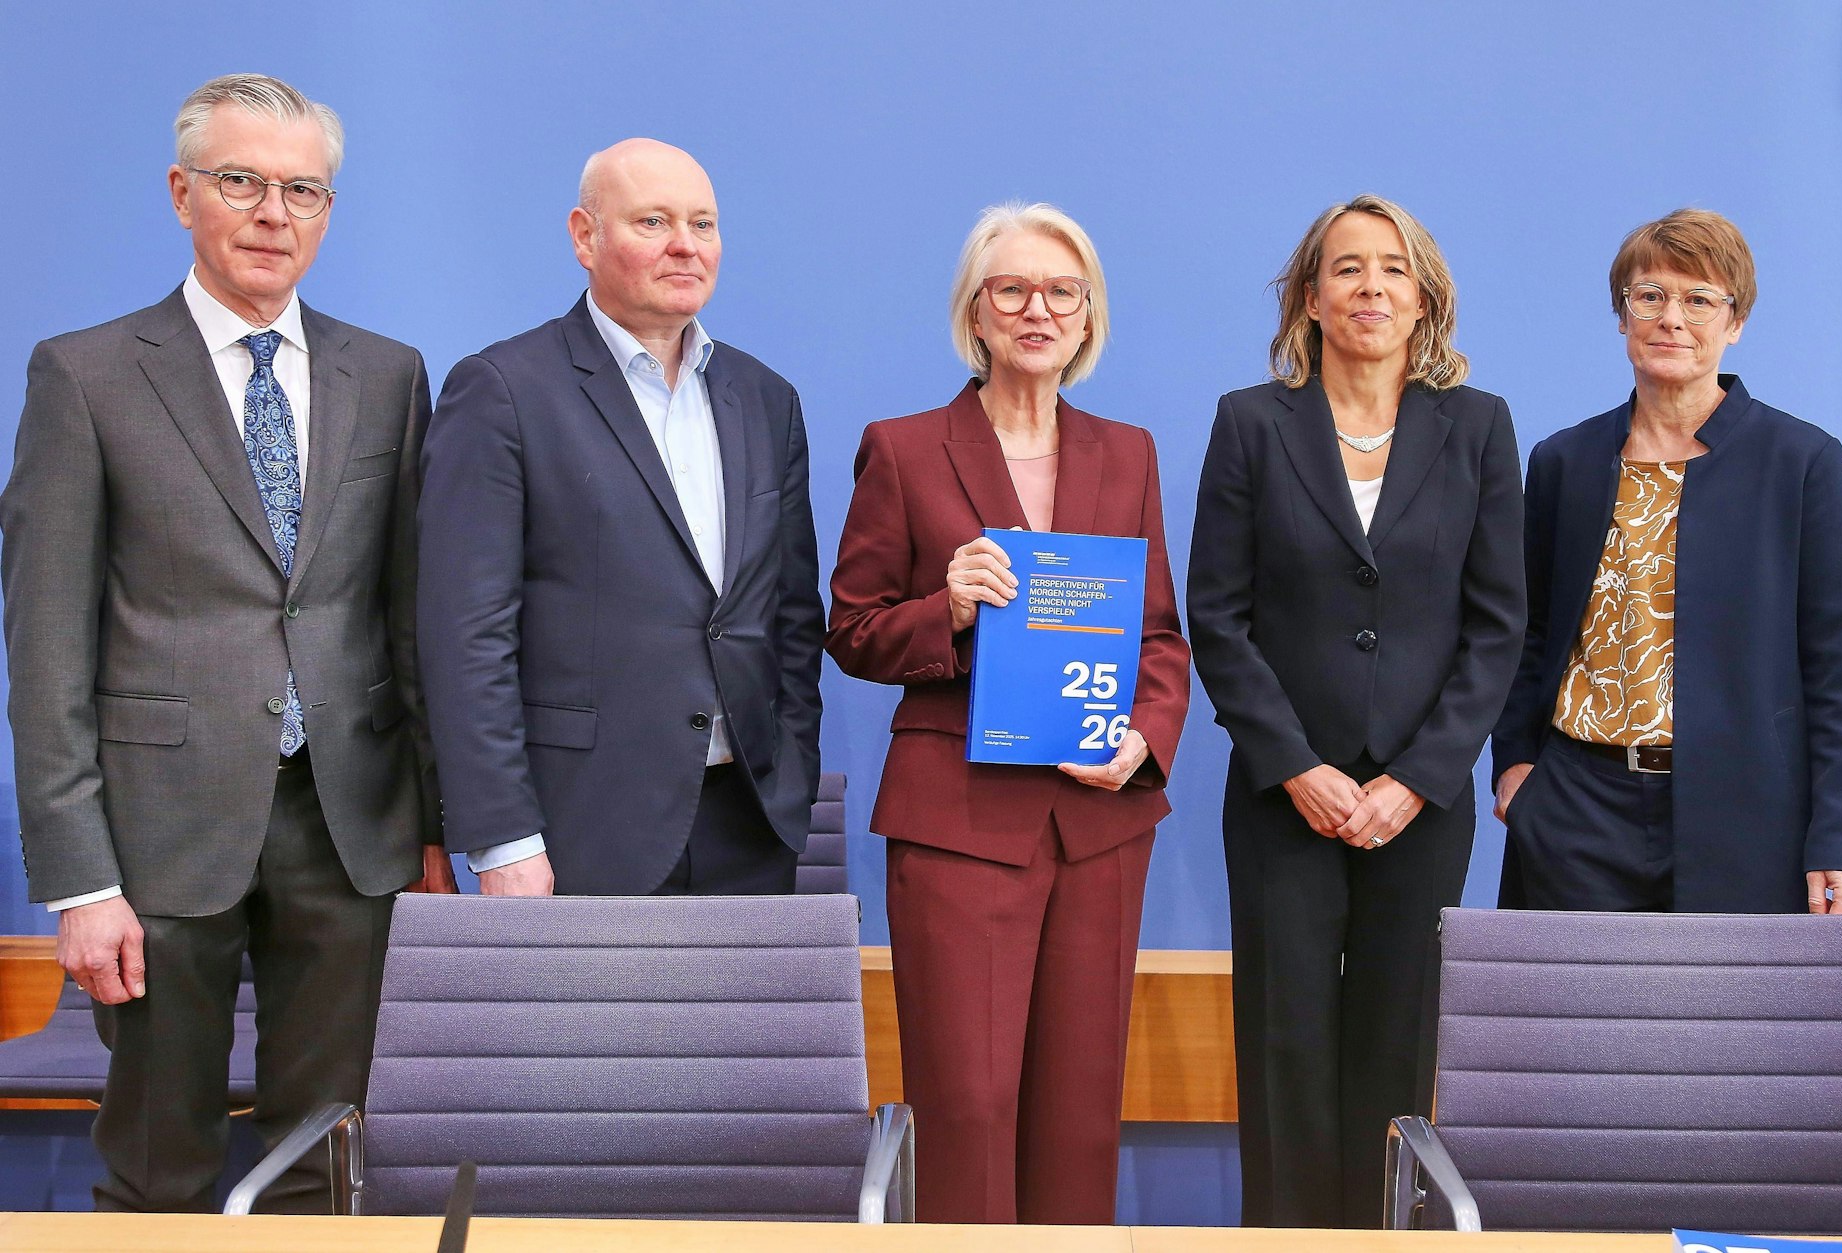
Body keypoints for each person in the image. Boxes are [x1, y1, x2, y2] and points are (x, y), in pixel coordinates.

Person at [0, 73, 450, 1212]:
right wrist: (80, 880)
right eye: (241, 181)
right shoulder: (86, 374)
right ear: (181, 193)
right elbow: (45, 645)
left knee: (324, 1166)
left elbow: (410, 619)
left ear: (328, 210)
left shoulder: (389, 375)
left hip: (350, 823)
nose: (272, 213)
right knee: (159, 1168)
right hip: (158, 834)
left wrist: (435, 825)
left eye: (303, 190)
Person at [825, 202, 1189, 1225]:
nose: (1038, 309)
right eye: (1013, 289)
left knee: (1078, 1114)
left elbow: (1159, 635)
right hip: (958, 823)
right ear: (975, 313)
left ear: (1087, 317)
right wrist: (943, 607)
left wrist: (1146, 738)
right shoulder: (902, 449)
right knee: (969, 1108)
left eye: (1062, 291)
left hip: (1097, 823)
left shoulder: (1129, 453)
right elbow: (851, 629)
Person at [1187, 195, 1525, 1228]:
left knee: (1397, 1042)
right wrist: (1294, 764)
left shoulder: (1477, 427)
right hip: (1283, 796)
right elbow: (1217, 616)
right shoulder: (1251, 421)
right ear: (1309, 297)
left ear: (1424, 299)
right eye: (1345, 267)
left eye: (1392, 268)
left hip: (1419, 802)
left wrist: (1417, 777)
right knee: (1282, 1041)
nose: (1369, 286)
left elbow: (1497, 626)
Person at [418, 139, 823, 897]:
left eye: (703, 224)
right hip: (577, 831)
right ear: (585, 237)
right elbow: (466, 634)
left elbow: (793, 617)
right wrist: (502, 835)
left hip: (750, 827)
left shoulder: (767, 399)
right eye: (653, 221)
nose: (685, 245)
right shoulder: (503, 390)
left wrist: (791, 780)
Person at [1492, 208, 1842, 915]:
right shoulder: (1565, 461)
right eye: (1650, 296)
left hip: (1748, 812)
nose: (1672, 318)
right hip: (1578, 805)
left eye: (1699, 300)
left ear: (1736, 322)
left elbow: (1841, 668)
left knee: (1725, 993)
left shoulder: (1801, 462)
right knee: (1574, 993)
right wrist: (1514, 763)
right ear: (1622, 316)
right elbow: (1526, 630)